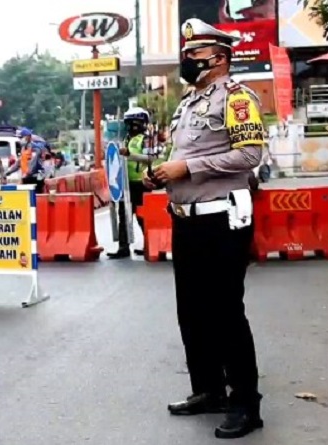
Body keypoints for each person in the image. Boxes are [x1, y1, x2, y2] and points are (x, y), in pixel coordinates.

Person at [144, 18, 264, 439]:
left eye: (195, 55)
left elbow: (250, 155)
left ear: (219, 58)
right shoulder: (189, 101)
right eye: (188, 53)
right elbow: (186, 152)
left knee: (226, 312)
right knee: (192, 310)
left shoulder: (237, 98)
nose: (188, 60)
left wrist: (188, 168)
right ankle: (209, 390)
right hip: (187, 219)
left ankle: (247, 404)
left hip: (223, 218)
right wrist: (163, 175)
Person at [107, 107, 156, 259]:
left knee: (143, 216)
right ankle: (123, 247)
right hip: (125, 184)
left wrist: (130, 155)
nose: (132, 126)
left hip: (141, 182)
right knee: (123, 214)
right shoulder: (125, 139)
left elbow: (150, 158)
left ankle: (150, 244)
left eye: (135, 122)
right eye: (129, 123)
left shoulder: (147, 138)